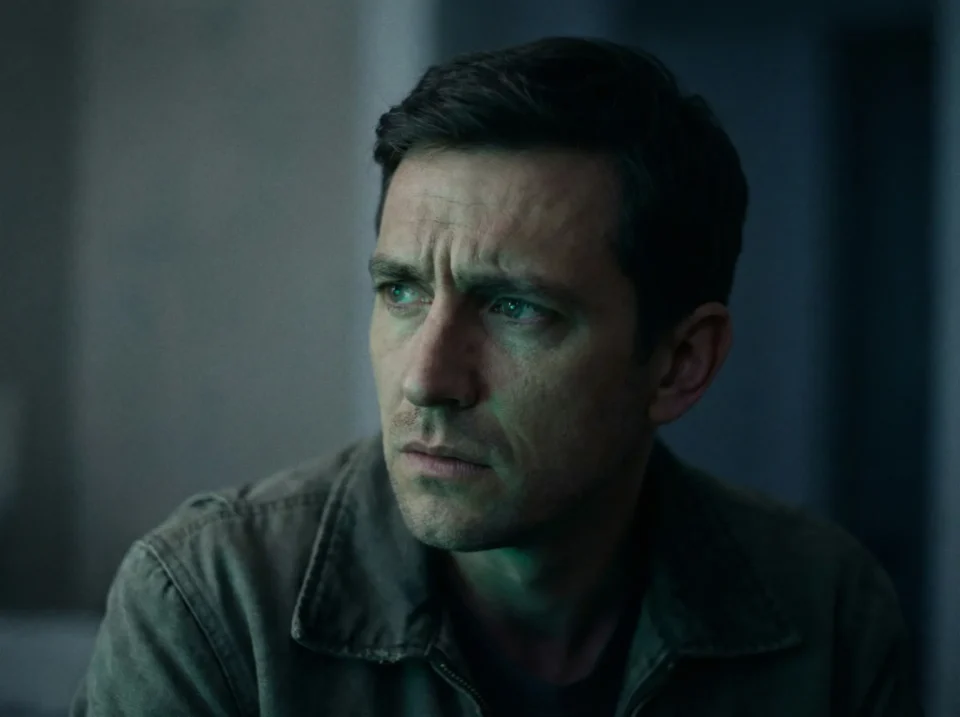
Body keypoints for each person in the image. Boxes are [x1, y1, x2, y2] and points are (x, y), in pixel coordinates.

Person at [71, 36, 920, 716]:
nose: (426, 378)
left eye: (516, 308)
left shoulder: (827, 611)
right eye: (401, 291)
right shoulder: (213, 604)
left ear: (679, 362)